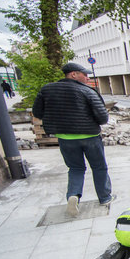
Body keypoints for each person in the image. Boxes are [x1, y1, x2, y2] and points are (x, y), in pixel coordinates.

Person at [32, 62, 115, 216]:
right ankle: (105, 197)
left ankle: (73, 196)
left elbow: (37, 112)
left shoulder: (46, 90)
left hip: (65, 137)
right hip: (90, 136)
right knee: (99, 167)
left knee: (76, 168)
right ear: (73, 74)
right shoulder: (88, 91)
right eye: (84, 74)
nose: (87, 77)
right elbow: (103, 117)